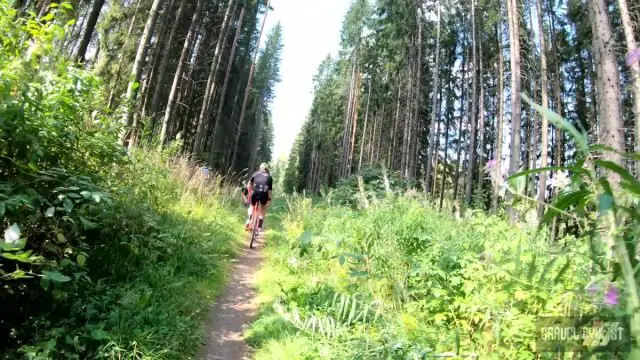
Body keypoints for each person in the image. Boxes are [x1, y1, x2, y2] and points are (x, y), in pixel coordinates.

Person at [245, 162, 273, 232]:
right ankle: (259, 227)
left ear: (260, 168)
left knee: (251, 206)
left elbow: (249, 185)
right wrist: (269, 199)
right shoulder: (269, 177)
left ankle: (249, 220)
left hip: (255, 193)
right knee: (263, 209)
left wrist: (249, 192)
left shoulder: (255, 174)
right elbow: (269, 191)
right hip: (264, 195)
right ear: (267, 169)